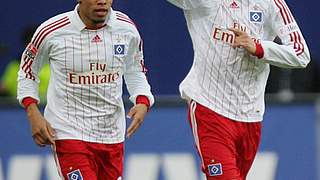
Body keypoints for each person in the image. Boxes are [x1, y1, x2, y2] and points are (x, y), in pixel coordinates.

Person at [167, 0, 310, 179]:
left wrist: (258, 47)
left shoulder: (272, 4)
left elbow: (301, 54)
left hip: (250, 116)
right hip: (209, 108)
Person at [17, 0, 154, 179]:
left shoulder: (126, 29)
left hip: (111, 135)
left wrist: (143, 100)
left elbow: (135, 70)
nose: (102, 1)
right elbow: (28, 72)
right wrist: (32, 112)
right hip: (68, 132)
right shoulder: (51, 31)